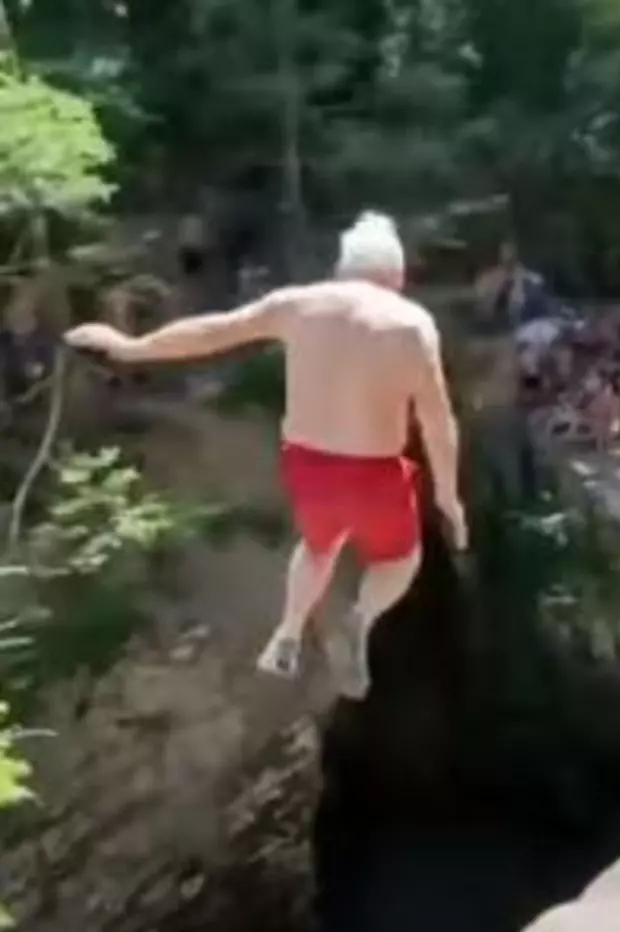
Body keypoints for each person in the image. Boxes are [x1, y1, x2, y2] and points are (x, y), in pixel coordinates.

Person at [63, 210, 467, 698]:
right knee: (400, 559)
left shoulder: (296, 304)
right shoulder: (413, 325)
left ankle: (288, 633)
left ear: (341, 270)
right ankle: (360, 619)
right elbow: (437, 419)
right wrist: (448, 497)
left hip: (310, 466)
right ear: (397, 277)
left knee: (319, 545)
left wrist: (131, 348)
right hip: (375, 472)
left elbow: (212, 331)